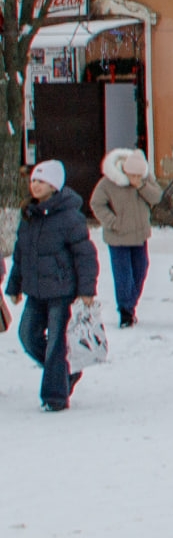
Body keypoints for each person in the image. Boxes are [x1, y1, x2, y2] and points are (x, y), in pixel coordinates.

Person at [9, 160, 98, 411]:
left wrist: (86, 290)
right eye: (33, 181)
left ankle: (55, 397)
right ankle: (63, 373)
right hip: (36, 291)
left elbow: (85, 255)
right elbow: (20, 253)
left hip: (62, 290)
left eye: (42, 181)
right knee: (28, 335)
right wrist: (14, 286)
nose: (35, 186)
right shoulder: (29, 215)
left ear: (54, 185)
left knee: (56, 343)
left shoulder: (70, 217)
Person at [91, 147, 162, 328]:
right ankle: (125, 311)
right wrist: (113, 222)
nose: (135, 179)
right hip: (118, 238)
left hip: (139, 235)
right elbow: (97, 204)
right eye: (133, 176)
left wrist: (141, 186)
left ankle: (130, 305)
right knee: (123, 275)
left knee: (141, 269)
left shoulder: (144, 179)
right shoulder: (108, 183)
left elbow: (156, 197)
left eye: (139, 176)